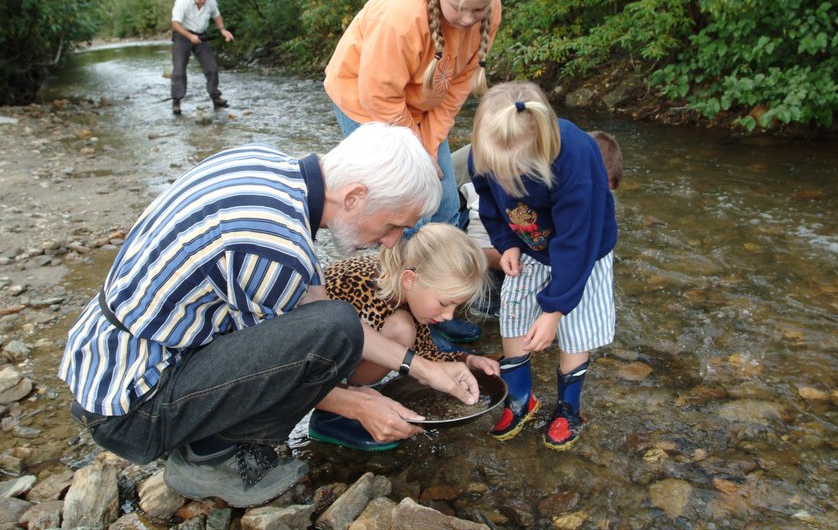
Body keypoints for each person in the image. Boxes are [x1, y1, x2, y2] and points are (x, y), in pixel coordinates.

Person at [59, 123, 483, 508]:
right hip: (134, 410)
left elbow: (314, 308)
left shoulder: (268, 169)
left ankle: (207, 443)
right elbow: (284, 369)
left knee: (334, 326)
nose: (391, 242)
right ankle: (207, 457)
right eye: (394, 225)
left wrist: (423, 367)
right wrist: (358, 406)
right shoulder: (274, 250)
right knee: (334, 329)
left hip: (108, 362)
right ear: (355, 197)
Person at [469, 81, 619, 451]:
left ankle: (569, 409)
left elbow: (575, 241)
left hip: (585, 248)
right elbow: (487, 201)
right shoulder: (486, 150)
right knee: (514, 312)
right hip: (529, 243)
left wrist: (554, 310)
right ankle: (520, 399)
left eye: (516, 174)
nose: (505, 181)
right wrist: (505, 244)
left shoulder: (576, 159)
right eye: (498, 171)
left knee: (575, 328)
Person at [323, 0, 509, 226]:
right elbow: (380, 97)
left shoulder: (489, 9)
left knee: (444, 205)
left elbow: (456, 88)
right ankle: (403, 265)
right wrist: (417, 151)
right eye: (458, 7)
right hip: (366, 103)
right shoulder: (399, 18)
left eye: (477, 9)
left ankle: (442, 264)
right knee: (406, 208)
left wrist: (430, 146)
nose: (469, 19)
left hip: (423, 104)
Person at [312, 222, 501, 450]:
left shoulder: (408, 294)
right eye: (444, 303)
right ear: (410, 280)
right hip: (312, 367)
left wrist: (468, 360)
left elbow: (422, 352)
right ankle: (331, 415)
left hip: (340, 360)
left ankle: (355, 396)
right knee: (402, 329)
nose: (449, 316)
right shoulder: (353, 282)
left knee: (404, 330)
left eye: (455, 307)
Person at [451, 128, 624, 319]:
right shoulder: (499, 170)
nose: (595, 205)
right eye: (593, 195)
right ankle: (483, 302)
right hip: (457, 220)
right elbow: (479, 243)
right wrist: (532, 267)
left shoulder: (566, 173)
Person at [170, 0, 234, 115]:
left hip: (201, 36)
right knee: (179, 70)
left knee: (212, 68)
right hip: (183, 35)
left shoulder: (210, 1)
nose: (204, 0)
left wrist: (222, 30)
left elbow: (217, 15)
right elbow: (175, 24)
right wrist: (189, 36)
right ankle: (176, 100)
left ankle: (215, 97)